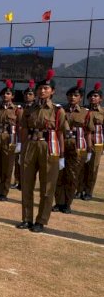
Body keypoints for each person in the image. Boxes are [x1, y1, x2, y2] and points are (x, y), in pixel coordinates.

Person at [17, 70, 68, 232]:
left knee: (47, 187)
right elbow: (24, 130)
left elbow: (60, 133)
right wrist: (22, 149)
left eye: (46, 88)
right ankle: (27, 218)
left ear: (52, 91)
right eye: (40, 88)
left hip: (49, 146)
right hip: (31, 145)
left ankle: (41, 221)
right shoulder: (29, 109)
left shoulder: (58, 111)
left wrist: (62, 155)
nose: (42, 91)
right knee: (26, 185)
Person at [52, 80, 93, 214]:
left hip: (77, 146)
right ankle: (58, 202)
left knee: (72, 176)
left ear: (80, 98)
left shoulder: (86, 113)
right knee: (59, 174)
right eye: (70, 95)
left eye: (75, 95)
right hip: (62, 144)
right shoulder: (60, 110)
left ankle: (67, 204)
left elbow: (88, 132)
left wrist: (89, 150)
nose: (72, 97)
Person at [0, 80, 22, 201]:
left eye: (8, 93)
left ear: (12, 96)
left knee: (7, 167)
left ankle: (3, 192)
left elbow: (20, 127)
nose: (5, 95)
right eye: (3, 93)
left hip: (10, 138)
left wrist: (19, 142)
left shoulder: (17, 110)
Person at [80, 82, 103, 200]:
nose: (93, 98)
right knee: (82, 166)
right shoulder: (83, 110)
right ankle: (79, 189)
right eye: (91, 96)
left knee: (93, 168)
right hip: (83, 141)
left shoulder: (102, 112)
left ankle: (88, 191)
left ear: (100, 99)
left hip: (97, 143)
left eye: (95, 96)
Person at [12, 81, 36, 190]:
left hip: (31, 138)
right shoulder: (19, 108)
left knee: (28, 162)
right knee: (18, 161)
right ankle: (17, 181)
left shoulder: (36, 109)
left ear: (34, 96)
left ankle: (25, 182)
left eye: (30, 94)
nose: (27, 96)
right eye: (26, 94)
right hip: (20, 137)